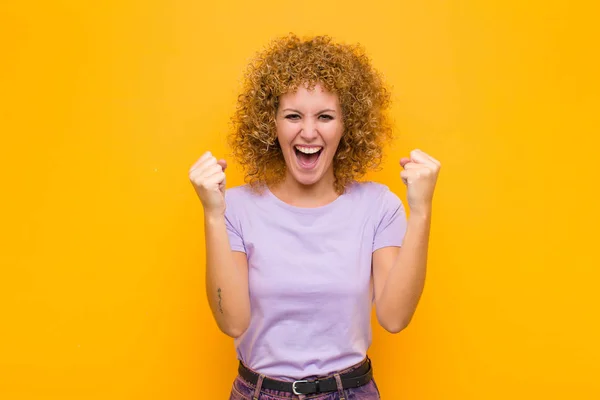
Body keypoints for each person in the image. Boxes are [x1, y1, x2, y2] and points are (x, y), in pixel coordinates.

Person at [189, 34, 441, 399]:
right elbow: (233, 321)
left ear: (346, 125)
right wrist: (213, 215)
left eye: (325, 116)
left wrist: (421, 210)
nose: (308, 132)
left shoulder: (378, 206)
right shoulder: (235, 208)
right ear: (271, 125)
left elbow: (395, 317)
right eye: (293, 116)